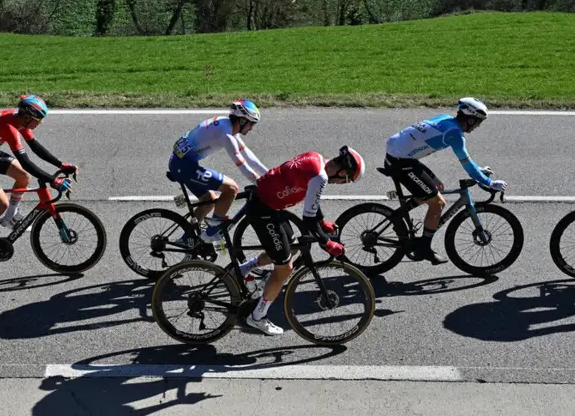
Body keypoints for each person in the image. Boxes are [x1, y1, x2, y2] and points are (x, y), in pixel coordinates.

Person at [239, 146, 365, 335]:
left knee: (291, 247)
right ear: (341, 172)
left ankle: (243, 270)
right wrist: (327, 243)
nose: (341, 184)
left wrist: (322, 222)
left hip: (269, 204)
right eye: (345, 180)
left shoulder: (315, 157)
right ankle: (257, 317)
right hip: (264, 210)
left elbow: (312, 199)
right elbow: (308, 219)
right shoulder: (320, 177)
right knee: (285, 268)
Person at [0, 95, 78, 266]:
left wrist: (60, 164)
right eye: (38, 120)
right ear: (28, 117)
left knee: (23, 177)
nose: (39, 124)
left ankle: (10, 217)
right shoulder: (9, 126)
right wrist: (53, 181)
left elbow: (35, 147)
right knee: (1, 204)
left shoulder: (18, 119)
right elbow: (26, 162)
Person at [383, 98, 506, 264]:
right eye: (478, 122)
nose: (478, 126)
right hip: (401, 162)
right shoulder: (454, 134)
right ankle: (424, 248)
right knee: (438, 203)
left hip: (399, 156)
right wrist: (489, 183)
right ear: (470, 120)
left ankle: (398, 216)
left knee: (437, 187)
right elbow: (466, 163)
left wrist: (478, 171)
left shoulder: (445, 119)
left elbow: (469, 162)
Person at [167, 100, 266, 244]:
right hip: (184, 166)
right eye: (251, 123)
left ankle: (188, 239)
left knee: (208, 201)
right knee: (231, 188)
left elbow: (249, 156)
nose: (252, 128)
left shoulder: (226, 124)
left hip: (180, 163)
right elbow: (242, 165)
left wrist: (270, 174)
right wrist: (261, 182)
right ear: (242, 120)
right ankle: (212, 232)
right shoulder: (226, 135)